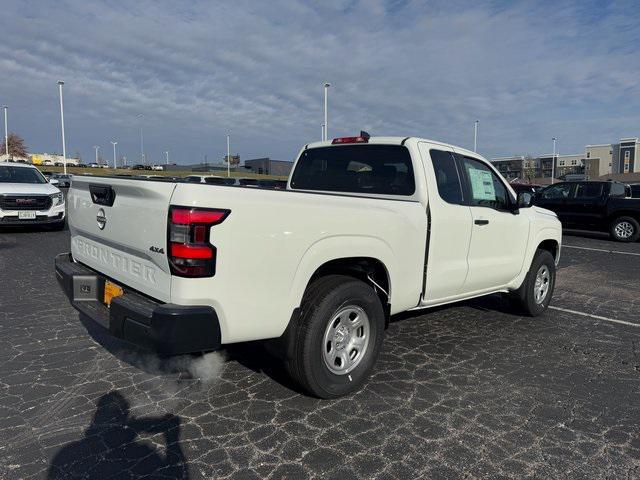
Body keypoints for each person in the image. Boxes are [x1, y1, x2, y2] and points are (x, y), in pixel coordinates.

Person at [48, 391, 188, 479]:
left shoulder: (68, 455)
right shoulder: (140, 457)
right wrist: (172, 438)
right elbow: (177, 476)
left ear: (95, 419)